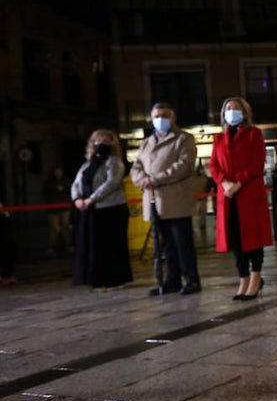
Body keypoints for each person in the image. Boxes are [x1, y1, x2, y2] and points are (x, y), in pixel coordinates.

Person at [130, 101, 202, 296]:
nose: (160, 119)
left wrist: (154, 179)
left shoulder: (184, 139)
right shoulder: (147, 142)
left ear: (173, 117)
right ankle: (173, 280)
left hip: (176, 199)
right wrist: (142, 179)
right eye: (156, 116)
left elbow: (183, 166)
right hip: (154, 200)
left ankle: (191, 279)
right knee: (166, 244)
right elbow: (136, 166)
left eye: (164, 115)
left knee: (182, 242)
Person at [209, 97, 274, 301]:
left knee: (253, 238)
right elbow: (213, 165)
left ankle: (255, 276)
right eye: (228, 108)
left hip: (248, 193)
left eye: (236, 108)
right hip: (227, 196)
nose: (232, 111)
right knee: (235, 238)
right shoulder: (219, 139)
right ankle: (243, 277)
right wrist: (224, 182)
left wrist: (238, 182)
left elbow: (257, 163)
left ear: (245, 112)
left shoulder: (254, 134)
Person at [71, 129, 134, 291]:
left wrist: (91, 199)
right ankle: (95, 279)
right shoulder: (87, 163)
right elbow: (77, 182)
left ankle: (116, 279)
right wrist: (77, 198)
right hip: (91, 210)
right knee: (94, 245)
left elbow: (111, 183)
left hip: (111, 209)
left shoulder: (114, 162)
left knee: (112, 245)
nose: (101, 143)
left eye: (106, 140)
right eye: (98, 140)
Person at [42, 166, 72, 255]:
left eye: (59, 171)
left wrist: (64, 190)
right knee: (53, 228)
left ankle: (68, 245)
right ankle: (52, 247)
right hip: (53, 208)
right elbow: (45, 193)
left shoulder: (66, 181)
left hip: (64, 207)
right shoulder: (48, 182)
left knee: (65, 227)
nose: (58, 172)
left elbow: (70, 191)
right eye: (56, 171)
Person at [0, 200, 15, 285]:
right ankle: (6, 275)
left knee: (9, 249)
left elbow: (6, 216)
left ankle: (7, 275)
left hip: (4, 229)